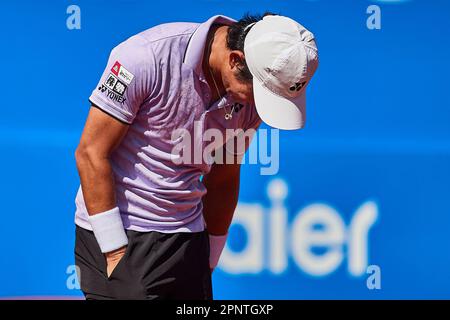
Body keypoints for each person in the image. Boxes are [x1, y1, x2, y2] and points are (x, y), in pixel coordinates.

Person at [74, 12, 319, 300]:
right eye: (259, 93)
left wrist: (210, 260)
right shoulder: (143, 57)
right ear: (236, 61)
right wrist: (115, 253)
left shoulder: (251, 97)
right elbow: (91, 152)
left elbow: (224, 177)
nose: (257, 106)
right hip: (122, 236)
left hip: (188, 241)